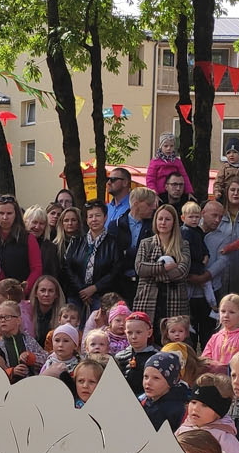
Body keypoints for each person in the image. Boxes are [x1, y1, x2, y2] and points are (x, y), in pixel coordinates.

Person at [133, 204, 190, 341]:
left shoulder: (183, 245)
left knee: (172, 340)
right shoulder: (146, 243)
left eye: (167, 219)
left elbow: (182, 271)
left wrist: (152, 274)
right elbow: (140, 268)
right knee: (147, 338)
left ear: (174, 222)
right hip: (148, 299)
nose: (163, 222)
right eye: (160, 219)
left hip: (174, 299)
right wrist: (164, 267)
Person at [67, 200, 126, 313]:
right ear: (86, 219)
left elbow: (116, 270)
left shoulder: (114, 243)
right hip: (77, 293)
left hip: (102, 295)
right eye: (90, 216)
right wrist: (82, 290)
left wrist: (95, 288)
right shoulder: (76, 241)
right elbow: (68, 267)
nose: (94, 219)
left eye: (98, 215)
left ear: (105, 217)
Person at [145, 132, 191, 198]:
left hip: (175, 192)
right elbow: (150, 178)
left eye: (171, 146)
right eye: (166, 146)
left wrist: (188, 191)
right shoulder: (155, 161)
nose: (169, 148)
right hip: (159, 193)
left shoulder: (177, 161)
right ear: (161, 146)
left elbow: (184, 176)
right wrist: (153, 192)